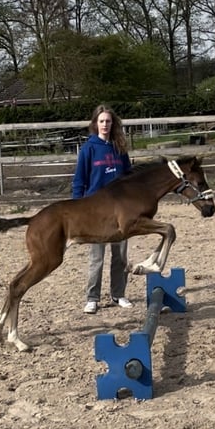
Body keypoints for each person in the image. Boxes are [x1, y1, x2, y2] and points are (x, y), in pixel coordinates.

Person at [72, 105, 133, 314]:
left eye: (108, 121)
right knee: (97, 257)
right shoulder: (89, 149)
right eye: (102, 121)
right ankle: (92, 297)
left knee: (121, 255)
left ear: (112, 123)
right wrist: (77, 209)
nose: (105, 125)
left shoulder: (119, 148)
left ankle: (118, 293)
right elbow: (80, 180)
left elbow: (128, 177)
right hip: (96, 211)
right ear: (95, 124)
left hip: (121, 210)